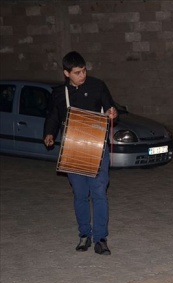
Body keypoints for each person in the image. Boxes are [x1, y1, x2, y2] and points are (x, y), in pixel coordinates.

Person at [43, 51, 118, 255]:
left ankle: (101, 239)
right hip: (73, 148)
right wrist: (49, 133)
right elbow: (53, 115)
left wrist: (113, 113)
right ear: (67, 73)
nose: (82, 75)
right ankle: (84, 235)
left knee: (99, 193)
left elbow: (111, 109)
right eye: (77, 72)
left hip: (97, 147)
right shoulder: (59, 93)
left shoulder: (97, 86)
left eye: (84, 70)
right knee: (80, 195)